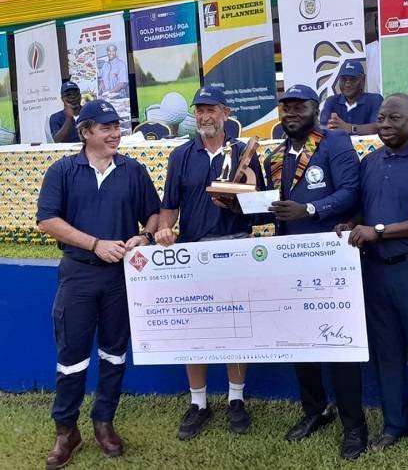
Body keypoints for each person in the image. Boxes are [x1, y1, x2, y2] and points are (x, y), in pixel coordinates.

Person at [37, 99, 161, 469]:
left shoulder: (133, 170)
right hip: (78, 273)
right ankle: (66, 431)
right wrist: (95, 244)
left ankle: (104, 422)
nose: (115, 134)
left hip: (120, 279)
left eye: (117, 127)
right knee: (72, 358)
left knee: (113, 353)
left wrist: (145, 236)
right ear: (86, 131)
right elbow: (47, 220)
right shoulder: (62, 170)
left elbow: (153, 213)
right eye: (106, 128)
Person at [336, 93, 408, 464]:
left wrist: (380, 231)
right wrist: (350, 224)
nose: (385, 125)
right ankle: (394, 424)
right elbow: (360, 210)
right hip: (375, 270)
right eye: (381, 119)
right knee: (386, 354)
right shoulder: (370, 161)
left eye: (394, 119)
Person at [264, 84, 367, 460]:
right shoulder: (276, 154)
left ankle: (354, 426)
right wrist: (236, 200)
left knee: (339, 344)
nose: (290, 112)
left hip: (330, 259)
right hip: (289, 261)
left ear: (315, 108)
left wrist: (309, 211)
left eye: (298, 106)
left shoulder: (335, 144)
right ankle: (316, 410)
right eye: (285, 106)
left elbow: (351, 193)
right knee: (299, 344)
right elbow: (272, 207)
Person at [155, 86, 264, 440]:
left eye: (210, 110)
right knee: (195, 331)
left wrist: (239, 203)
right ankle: (198, 402)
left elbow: (260, 205)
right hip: (195, 251)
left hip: (235, 248)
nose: (204, 116)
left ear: (225, 112)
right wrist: (165, 228)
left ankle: (235, 398)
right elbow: (169, 204)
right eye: (199, 110)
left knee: (236, 327)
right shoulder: (182, 155)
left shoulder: (245, 153)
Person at [320, 61, 383, 135]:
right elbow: (323, 129)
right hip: (339, 146)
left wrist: (350, 128)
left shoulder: (375, 100)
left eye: (353, 79)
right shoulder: (332, 101)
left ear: (363, 80)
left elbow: (379, 127)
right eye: (344, 79)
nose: (347, 84)